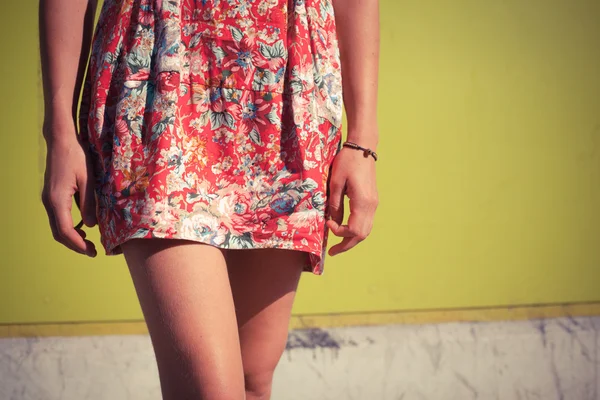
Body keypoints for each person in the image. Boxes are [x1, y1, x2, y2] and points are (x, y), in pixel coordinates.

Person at [39, 0, 379, 398]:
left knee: (253, 378)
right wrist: (60, 135)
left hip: (284, 92)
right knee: (211, 390)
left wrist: (363, 142)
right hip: (157, 83)